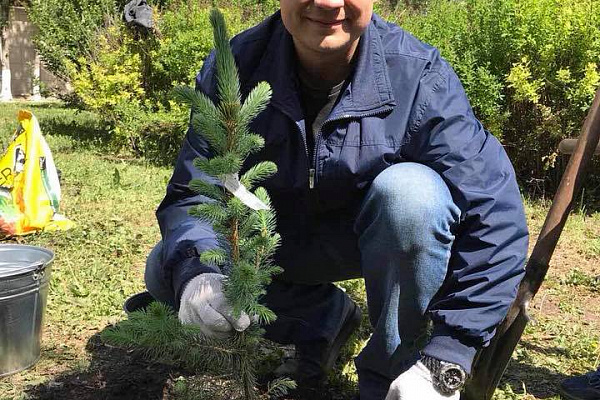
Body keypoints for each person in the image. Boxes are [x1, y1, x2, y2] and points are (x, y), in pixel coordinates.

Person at [144, 1, 529, 399]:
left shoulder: (416, 77)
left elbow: (494, 211)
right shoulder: (235, 67)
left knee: (412, 196)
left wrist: (449, 355)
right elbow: (195, 188)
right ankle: (322, 317)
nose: (329, 3)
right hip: (272, 241)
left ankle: (393, 374)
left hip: (372, 242)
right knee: (167, 269)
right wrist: (199, 271)